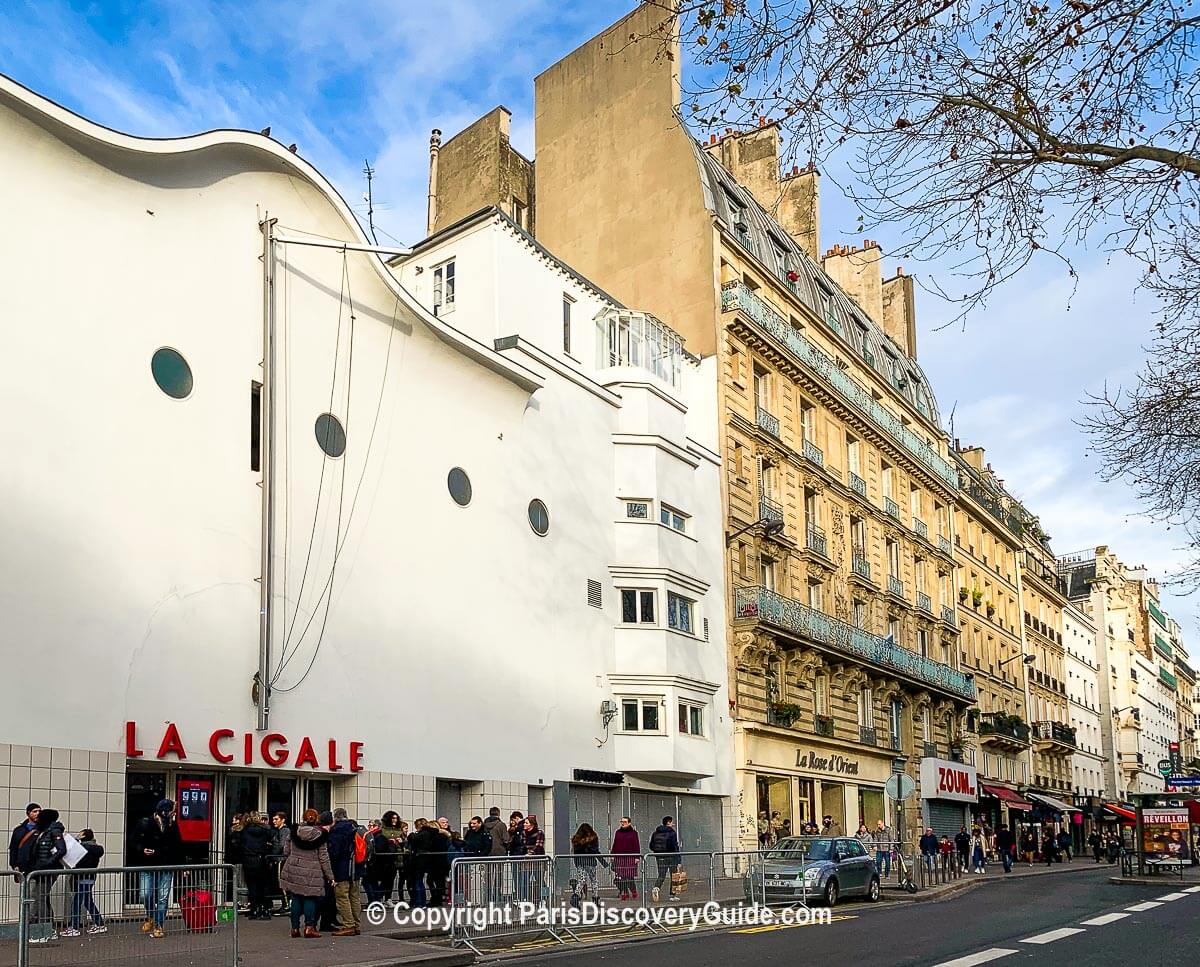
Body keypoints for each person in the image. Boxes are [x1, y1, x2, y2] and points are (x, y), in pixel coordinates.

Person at [132, 799, 183, 939]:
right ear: (165, 812)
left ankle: (159, 925)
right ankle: (151, 916)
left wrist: (182, 865)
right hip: (148, 865)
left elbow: (178, 847)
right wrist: (142, 850)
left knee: (162, 897)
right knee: (145, 894)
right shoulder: (145, 823)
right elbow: (134, 841)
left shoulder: (172, 826)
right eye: (172, 811)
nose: (174, 814)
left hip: (166, 866)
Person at [281, 808, 334, 939]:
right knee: (310, 898)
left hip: (294, 867)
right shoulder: (320, 835)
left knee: (296, 898)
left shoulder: (294, 832)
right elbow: (324, 857)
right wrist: (330, 876)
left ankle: (294, 928)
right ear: (317, 819)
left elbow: (286, 850)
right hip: (312, 869)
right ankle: (309, 927)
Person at [23, 808, 67, 944]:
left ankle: (44, 931)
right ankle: (49, 929)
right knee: (43, 898)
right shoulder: (43, 831)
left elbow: (61, 850)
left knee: (41, 899)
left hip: (47, 870)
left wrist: (46, 863)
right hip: (40, 870)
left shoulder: (53, 831)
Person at [62, 829, 106, 937]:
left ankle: (74, 927)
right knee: (87, 901)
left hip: (81, 877)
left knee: (77, 902)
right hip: (90, 877)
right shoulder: (97, 849)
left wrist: (76, 839)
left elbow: (73, 852)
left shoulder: (82, 848)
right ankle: (99, 923)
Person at [241, 811, 274, 920]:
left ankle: (254, 909)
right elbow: (272, 841)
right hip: (261, 859)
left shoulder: (245, 830)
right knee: (262, 885)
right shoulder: (266, 830)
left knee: (251, 886)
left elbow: (241, 843)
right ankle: (263, 908)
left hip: (249, 859)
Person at [411, 816, 450, 906]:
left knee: (431, 880)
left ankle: (434, 899)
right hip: (440, 861)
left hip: (435, 861)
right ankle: (437, 899)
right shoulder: (443, 836)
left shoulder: (432, 836)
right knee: (437, 881)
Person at [570, 823, 607, 903]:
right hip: (590, 862)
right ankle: (595, 897)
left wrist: (576, 864)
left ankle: (575, 896)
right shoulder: (593, 839)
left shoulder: (577, 840)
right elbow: (596, 851)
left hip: (580, 862)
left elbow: (575, 854)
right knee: (593, 880)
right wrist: (604, 863)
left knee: (581, 880)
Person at [364, 819, 398, 904]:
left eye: (370, 825)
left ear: (376, 826)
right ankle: (376, 901)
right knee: (374, 883)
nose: (369, 827)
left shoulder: (378, 836)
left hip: (380, 865)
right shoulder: (374, 836)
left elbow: (379, 850)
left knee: (371, 882)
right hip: (381, 865)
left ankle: (375, 901)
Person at [649, 816, 681, 902]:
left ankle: (656, 888)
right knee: (673, 876)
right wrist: (678, 859)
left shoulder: (655, 833)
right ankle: (672, 895)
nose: (673, 824)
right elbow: (675, 846)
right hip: (671, 856)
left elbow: (651, 846)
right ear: (669, 822)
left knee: (661, 875)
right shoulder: (672, 833)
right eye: (672, 822)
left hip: (660, 857)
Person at [611, 817, 641, 900]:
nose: (622, 823)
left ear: (629, 823)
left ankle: (633, 891)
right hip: (620, 857)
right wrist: (613, 855)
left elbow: (636, 845)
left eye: (624, 822)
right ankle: (625, 892)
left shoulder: (634, 833)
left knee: (630, 875)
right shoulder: (618, 832)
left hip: (630, 857)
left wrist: (637, 857)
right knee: (622, 876)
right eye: (621, 822)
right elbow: (615, 844)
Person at [8, 803, 40, 878]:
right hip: (23, 866)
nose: (38, 814)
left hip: (37, 867)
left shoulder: (43, 828)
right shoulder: (19, 830)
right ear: (28, 813)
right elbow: (13, 848)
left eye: (39, 811)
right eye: (35, 811)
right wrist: (14, 865)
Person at [268, 812, 290, 915]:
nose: (274, 822)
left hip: (281, 859)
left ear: (283, 820)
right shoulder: (280, 831)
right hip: (279, 858)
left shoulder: (284, 831)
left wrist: (273, 849)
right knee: (279, 882)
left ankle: (286, 905)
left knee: (281, 882)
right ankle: (284, 904)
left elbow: (282, 845)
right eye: (273, 819)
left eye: (276, 819)